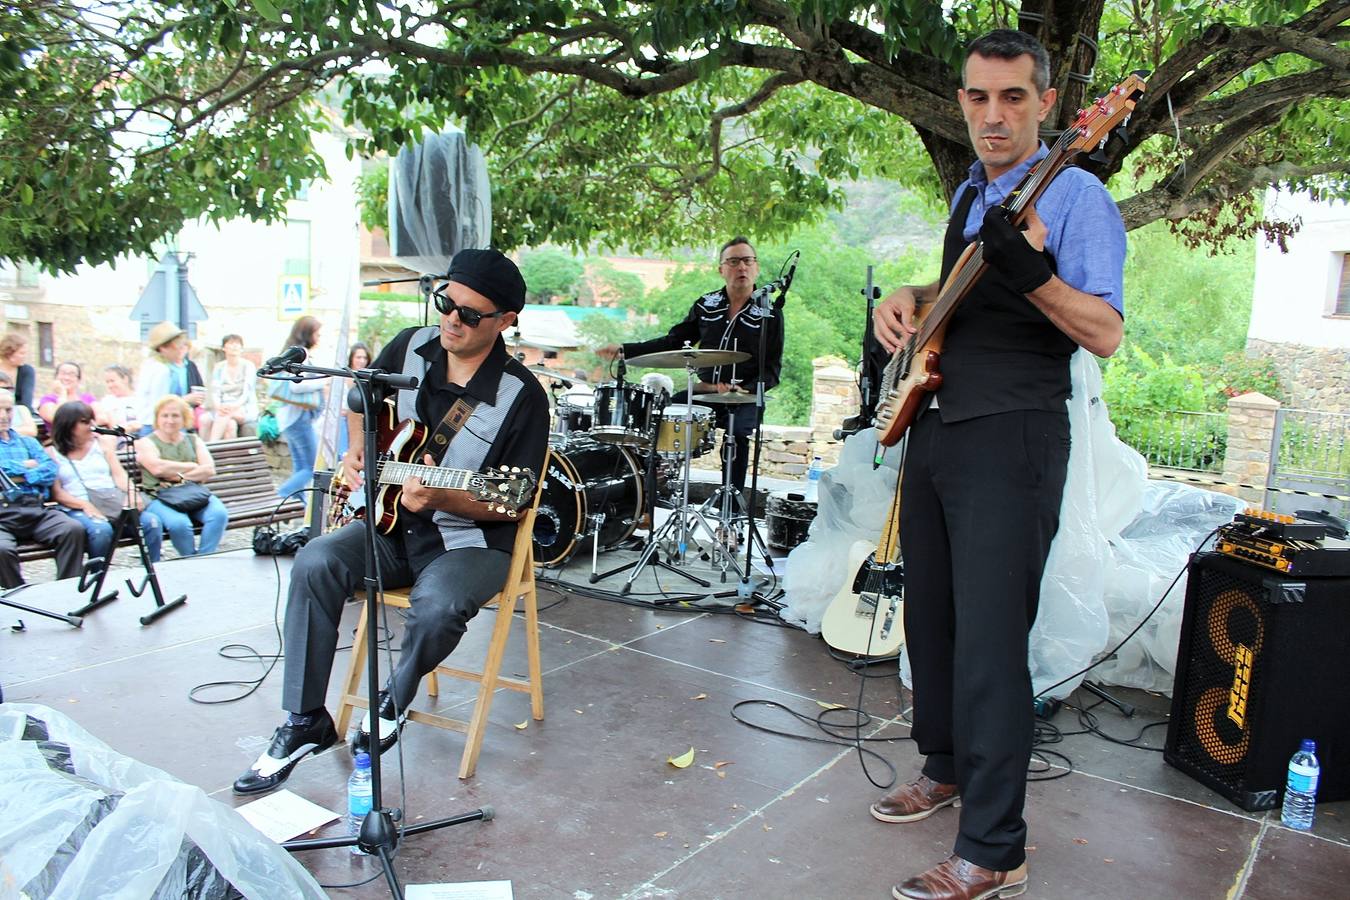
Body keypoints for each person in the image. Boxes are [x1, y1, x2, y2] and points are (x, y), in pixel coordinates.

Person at [866, 30, 1126, 900]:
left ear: (1049, 105)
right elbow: (965, 296)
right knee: (932, 620)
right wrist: (910, 297)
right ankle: (943, 765)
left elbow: (1105, 331)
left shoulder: (1077, 194)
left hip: (1012, 435)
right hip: (939, 424)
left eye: (1013, 97)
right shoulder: (972, 194)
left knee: (989, 644)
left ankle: (994, 849)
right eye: (978, 98)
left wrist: (1037, 277)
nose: (993, 115)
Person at [233, 248, 549, 795]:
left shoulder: (523, 396)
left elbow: (514, 500)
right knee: (316, 561)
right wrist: (358, 451)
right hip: (388, 523)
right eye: (446, 302)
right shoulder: (410, 345)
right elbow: (361, 398)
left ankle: (392, 699)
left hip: (470, 541)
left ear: (505, 321)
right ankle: (307, 718)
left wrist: (444, 498)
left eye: (471, 314)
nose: (452, 319)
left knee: (441, 606)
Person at [599, 236, 784, 492]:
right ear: (721, 269)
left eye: (747, 260)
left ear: (756, 267)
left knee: (737, 434)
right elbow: (674, 342)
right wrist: (626, 350)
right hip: (705, 391)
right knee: (663, 416)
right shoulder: (706, 305)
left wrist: (748, 390)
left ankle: (730, 510)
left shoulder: (770, 313)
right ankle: (650, 497)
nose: (741, 267)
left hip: (744, 396)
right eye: (733, 261)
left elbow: (773, 367)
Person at [47, 401, 164, 570]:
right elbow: (57, 493)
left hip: (111, 501)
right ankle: (98, 578)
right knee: (101, 531)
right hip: (78, 506)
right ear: (69, 425)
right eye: (85, 422)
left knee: (151, 522)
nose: (92, 426)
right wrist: (84, 505)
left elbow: (118, 474)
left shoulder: (101, 445)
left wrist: (132, 494)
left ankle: (151, 572)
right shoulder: (52, 453)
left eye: (92, 421)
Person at [0, 389, 86, 587]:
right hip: (2, 516)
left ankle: (66, 589)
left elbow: (49, 470)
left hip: (35, 509)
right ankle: (21, 595)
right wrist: (28, 465)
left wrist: (21, 474)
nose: (4, 416)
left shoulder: (28, 442)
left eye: (8, 409)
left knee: (71, 529)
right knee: (1, 550)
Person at [135, 395, 229, 557]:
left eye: (175, 416)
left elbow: (208, 469)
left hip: (192, 492)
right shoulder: (146, 442)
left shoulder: (193, 440)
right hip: (160, 495)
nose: (170, 420)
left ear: (184, 418)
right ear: (157, 418)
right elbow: (157, 468)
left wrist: (178, 477)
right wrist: (191, 466)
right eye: (165, 416)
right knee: (180, 524)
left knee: (219, 514)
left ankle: (204, 559)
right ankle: (190, 559)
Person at [271, 316, 328, 509]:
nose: (319, 337)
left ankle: (298, 503)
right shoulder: (299, 353)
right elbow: (296, 386)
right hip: (298, 418)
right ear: (308, 334)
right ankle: (284, 495)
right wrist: (325, 380)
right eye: (317, 333)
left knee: (300, 465)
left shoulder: (290, 351)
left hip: (291, 418)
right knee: (310, 467)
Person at [134, 322, 207, 436]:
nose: (180, 351)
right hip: (158, 426)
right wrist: (185, 400)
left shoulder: (155, 366)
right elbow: (160, 404)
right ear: (163, 348)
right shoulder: (160, 370)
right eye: (177, 347)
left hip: (167, 424)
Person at [208, 334, 260, 440]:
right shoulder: (219, 367)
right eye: (231, 344)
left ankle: (210, 447)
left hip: (244, 407)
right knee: (229, 425)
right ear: (224, 348)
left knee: (224, 416)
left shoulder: (248, 366)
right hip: (224, 407)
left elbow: (247, 393)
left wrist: (231, 407)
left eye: (237, 344)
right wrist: (219, 406)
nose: (234, 347)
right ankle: (227, 455)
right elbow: (215, 391)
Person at [333, 342, 371, 461]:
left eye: (364, 358)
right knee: (343, 453)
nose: (362, 361)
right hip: (342, 419)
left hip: (360, 419)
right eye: (358, 357)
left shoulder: (368, 379)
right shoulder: (342, 376)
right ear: (352, 358)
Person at [95, 364, 142, 435]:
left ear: (125, 379)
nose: (110, 385)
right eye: (107, 382)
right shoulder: (107, 401)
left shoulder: (140, 399)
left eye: (112, 381)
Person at [0, 333, 37, 414]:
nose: (24, 356)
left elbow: (26, 402)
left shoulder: (26, 371)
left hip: (18, 414)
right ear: (9, 354)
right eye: (21, 353)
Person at [0, 373, 39, 438]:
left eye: (8, 389)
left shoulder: (21, 409)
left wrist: (6, 431)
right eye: (1, 389)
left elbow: (31, 431)